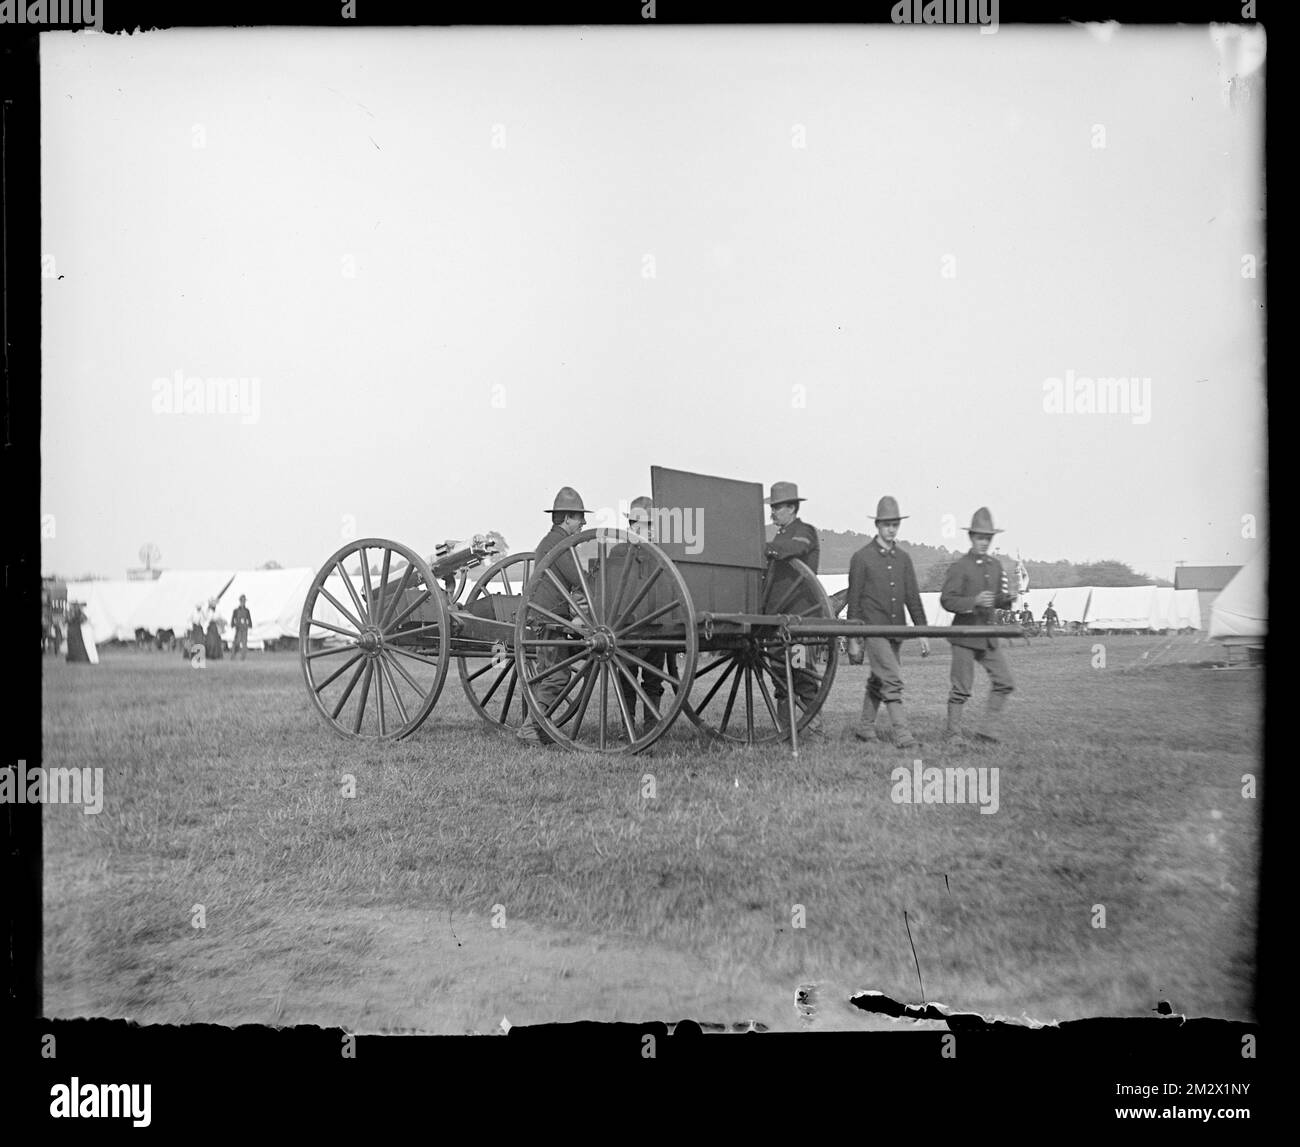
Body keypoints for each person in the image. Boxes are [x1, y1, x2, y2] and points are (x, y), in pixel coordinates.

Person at [846, 496, 929, 749]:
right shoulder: (861, 558)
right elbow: (854, 600)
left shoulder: (904, 559)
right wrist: (852, 637)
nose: (891, 529)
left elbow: (912, 597)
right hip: (874, 631)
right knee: (892, 679)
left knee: (878, 679)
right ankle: (903, 736)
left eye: (895, 524)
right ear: (877, 525)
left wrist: (923, 631)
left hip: (897, 631)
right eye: (887, 524)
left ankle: (865, 728)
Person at [518, 487, 590, 746]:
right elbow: (578, 579)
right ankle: (529, 728)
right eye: (580, 518)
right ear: (568, 518)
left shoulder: (553, 542)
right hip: (549, 619)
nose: (583, 523)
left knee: (546, 673)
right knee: (557, 676)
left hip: (549, 617)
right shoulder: (559, 545)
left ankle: (538, 727)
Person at [939, 507, 1017, 742]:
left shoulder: (995, 566)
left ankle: (987, 731)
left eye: (988, 538)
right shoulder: (960, 567)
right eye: (980, 537)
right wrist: (973, 601)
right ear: (971, 537)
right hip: (964, 634)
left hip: (988, 635)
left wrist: (1007, 599)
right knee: (961, 688)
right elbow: (947, 600)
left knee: (1005, 682)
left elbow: (999, 599)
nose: (984, 542)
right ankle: (952, 733)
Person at [762, 481, 823, 734]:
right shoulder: (781, 535)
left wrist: (765, 549)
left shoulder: (804, 531)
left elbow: (795, 549)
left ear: (791, 508)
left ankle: (815, 728)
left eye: (776, 507)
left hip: (800, 617)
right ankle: (785, 729)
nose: (772, 512)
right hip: (778, 618)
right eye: (772, 507)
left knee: (802, 675)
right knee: (780, 676)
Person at [611, 496, 666, 738]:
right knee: (627, 677)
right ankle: (628, 726)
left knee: (654, 678)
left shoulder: (660, 553)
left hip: (658, 622)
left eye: (646, 524)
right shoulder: (619, 551)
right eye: (635, 522)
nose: (639, 527)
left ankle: (651, 726)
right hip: (627, 625)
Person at [231, 594, 253, 661]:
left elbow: (249, 618)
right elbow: (233, 618)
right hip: (238, 628)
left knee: (244, 643)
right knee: (236, 643)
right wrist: (232, 624)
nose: (243, 602)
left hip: (244, 628)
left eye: (244, 601)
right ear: (240, 601)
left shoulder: (247, 610)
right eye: (242, 601)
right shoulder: (236, 610)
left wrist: (250, 625)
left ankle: (243, 658)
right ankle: (233, 656)